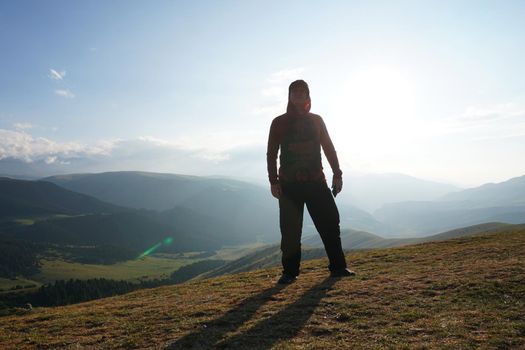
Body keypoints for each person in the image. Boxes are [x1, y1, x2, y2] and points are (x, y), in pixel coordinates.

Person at [266, 79, 356, 284]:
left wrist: (337, 173)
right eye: (294, 91)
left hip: (316, 182)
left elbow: (328, 147)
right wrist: (273, 181)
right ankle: (290, 273)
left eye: (302, 91)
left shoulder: (317, 120)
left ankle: (338, 267)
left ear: (308, 96)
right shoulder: (278, 122)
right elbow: (271, 153)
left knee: (331, 223)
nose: (298, 94)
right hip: (289, 186)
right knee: (290, 232)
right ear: (289, 96)